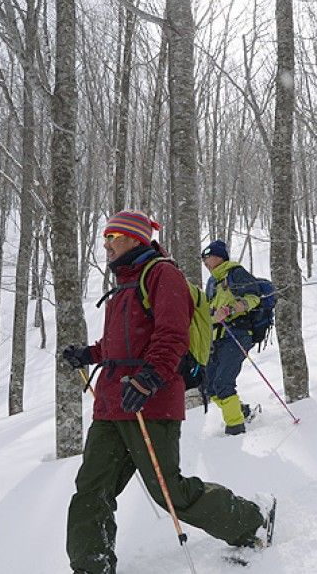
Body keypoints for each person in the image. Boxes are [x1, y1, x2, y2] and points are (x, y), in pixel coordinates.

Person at [62, 211, 272, 573]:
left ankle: (251, 522)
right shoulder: (122, 286)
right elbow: (119, 345)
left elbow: (172, 335)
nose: (107, 244)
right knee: (91, 490)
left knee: (168, 492)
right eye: (105, 237)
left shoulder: (163, 275)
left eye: (115, 236)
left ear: (137, 239)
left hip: (151, 401)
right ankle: (91, 565)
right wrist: (90, 354)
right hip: (112, 404)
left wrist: (148, 380)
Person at [202, 240, 261, 435]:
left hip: (238, 333)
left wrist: (230, 309)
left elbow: (254, 298)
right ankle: (241, 411)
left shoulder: (235, 273)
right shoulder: (212, 282)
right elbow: (209, 309)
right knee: (210, 387)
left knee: (223, 383)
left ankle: (235, 430)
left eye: (208, 257)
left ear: (219, 257)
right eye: (203, 258)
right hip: (217, 337)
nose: (205, 262)